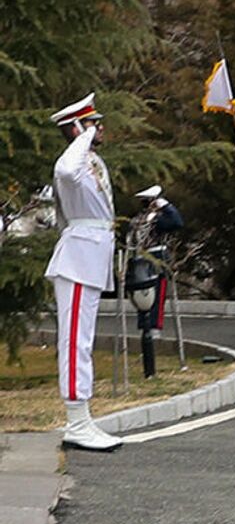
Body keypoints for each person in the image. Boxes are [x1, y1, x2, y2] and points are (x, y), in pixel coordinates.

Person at [44, 93, 122, 451]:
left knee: (83, 341)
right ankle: (76, 421)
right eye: (94, 123)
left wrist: (85, 138)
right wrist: (81, 135)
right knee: (75, 342)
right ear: (78, 128)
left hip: (90, 258)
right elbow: (63, 169)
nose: (101, 128)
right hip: (78, 259)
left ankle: (82, 417)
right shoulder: (71, 166)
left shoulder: (90, 162)